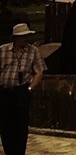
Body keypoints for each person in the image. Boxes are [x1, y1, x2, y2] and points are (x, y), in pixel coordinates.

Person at [1, 23, 46, 155]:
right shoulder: (3, 50)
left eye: (26, 36)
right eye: (22, 36)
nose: (25, 39)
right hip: (5, 91)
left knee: (21, 124)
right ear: (15, 38)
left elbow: (39, 71)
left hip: (22, 91)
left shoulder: (33, 51)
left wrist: (30, 87)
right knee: (6, 124)